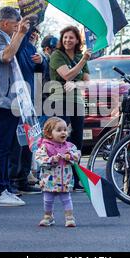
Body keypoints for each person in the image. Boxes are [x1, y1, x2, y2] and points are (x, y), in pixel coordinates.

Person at [0, 6, 31, 207]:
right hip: (2, 99)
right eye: (14, 25)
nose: (15, 29)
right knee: (3, 147)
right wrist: (20, 34)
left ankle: (4, 187)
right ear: (4, 23)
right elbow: (6, 56)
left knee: (4, 146)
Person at [48, 26, 91, 192]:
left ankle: (75, 177)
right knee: (60, 139)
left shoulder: (80, 56)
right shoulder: (57, 55)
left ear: (77, 40)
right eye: (65, 37)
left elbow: (86, 81)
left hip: (76, 102)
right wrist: (83, 62)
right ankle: (58, 177)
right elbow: (67, 75)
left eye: (71, 38)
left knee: (77, 141)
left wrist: (76, 84)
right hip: (59, 101)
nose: (67, 40)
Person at [9, 25, 46, 194]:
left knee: (28, 142)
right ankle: (14, 178)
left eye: (36, 33)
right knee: (17, 142)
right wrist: (30, 18)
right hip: (17, 99)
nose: (34, 35)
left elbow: (39, 74)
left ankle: (23, 177)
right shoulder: (17, 44)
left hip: (31, 100)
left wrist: (41, 63)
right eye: (32, 32)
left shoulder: (32, 49)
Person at [35, 117, 81, 228]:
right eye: (59, 130)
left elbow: (77, 156)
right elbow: (39, 158)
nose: (63, 132)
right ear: (49, 133)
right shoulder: (45, 146)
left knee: (66, 198)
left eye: (65, 130)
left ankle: (69, 217)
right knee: (48, 199)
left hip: (65, 179)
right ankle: (48, 217)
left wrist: (69, 157)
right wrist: (51, 160)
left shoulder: (69, 147)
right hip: (49, 180)